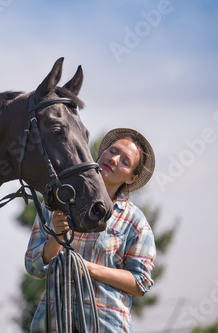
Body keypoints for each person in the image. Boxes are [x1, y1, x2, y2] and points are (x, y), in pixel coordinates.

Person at [25, 128, 157, 332]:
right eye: (113, 151)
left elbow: (141, 282)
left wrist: (88, 268)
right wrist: (57, 238)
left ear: (131, 178)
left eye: (125, 162)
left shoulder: (134, 221)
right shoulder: (59, 201)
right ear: (101, 153)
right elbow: (34, 266)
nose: (114, 160)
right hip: (53, 324)